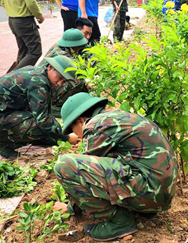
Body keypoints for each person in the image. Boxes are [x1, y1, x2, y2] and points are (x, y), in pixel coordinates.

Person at [53, 92, 178, 241]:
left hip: (151, 192)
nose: (79, 137)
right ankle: (142, 208)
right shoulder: (116, 116)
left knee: (64, 165)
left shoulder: (95, 125)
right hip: (161, 193)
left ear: (80, 120)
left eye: (73, 130)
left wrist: (71, 208)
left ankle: (119, 222)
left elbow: (81, 172)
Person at [0, 56, 81, 159]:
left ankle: (29, 138)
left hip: (0, 112)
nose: (59, 84)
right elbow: (42, 120)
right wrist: (65, 137)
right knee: (40, 128)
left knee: (48, 127)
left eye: (63, 82)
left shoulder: (39, 73)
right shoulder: (39, 83)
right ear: (50, 67)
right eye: (59, 78)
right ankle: (2, 143)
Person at [39, 29, 91, 117]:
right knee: (78, 83)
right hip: (44, 87)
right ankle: (57, 107)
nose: (79, 49)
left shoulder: (58, 45)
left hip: (46, 81)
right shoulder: (61, 54)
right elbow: (76, 70)